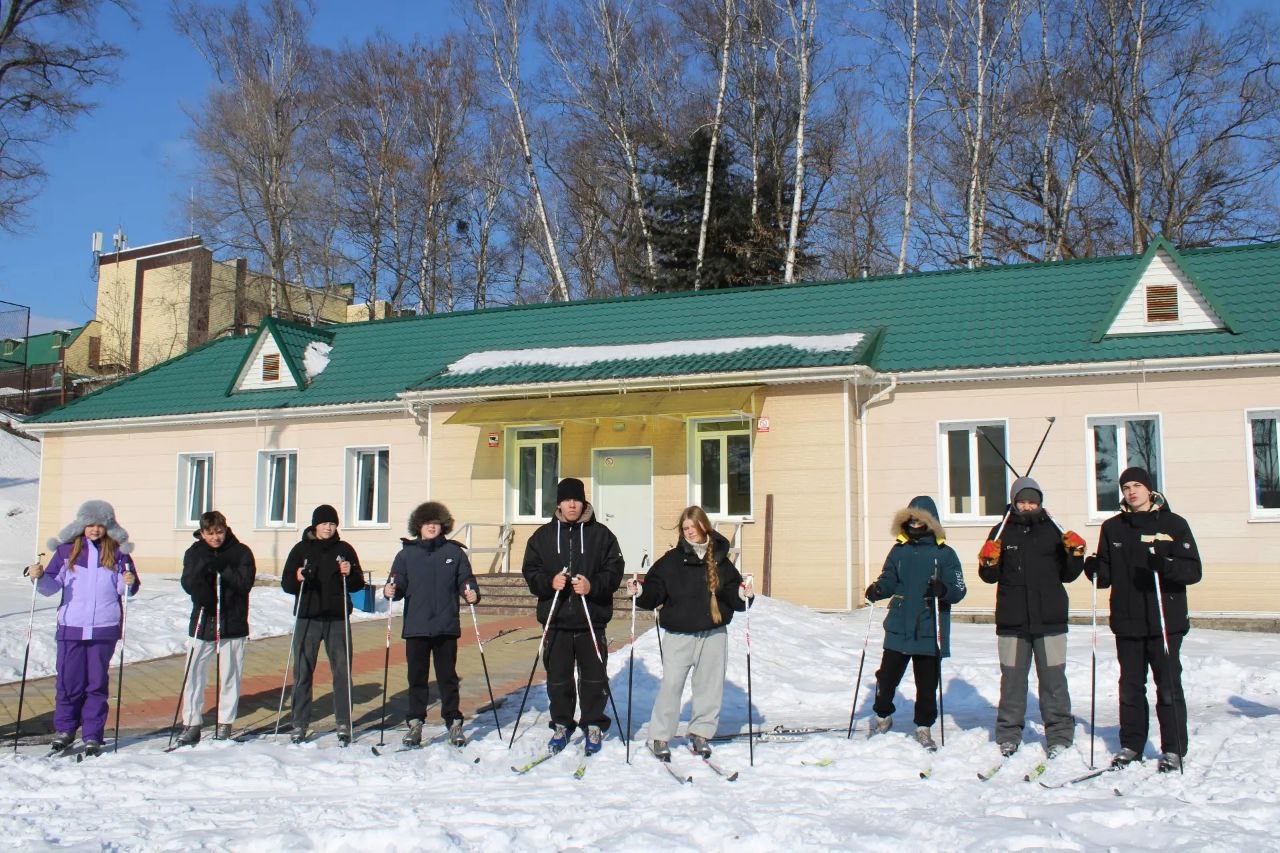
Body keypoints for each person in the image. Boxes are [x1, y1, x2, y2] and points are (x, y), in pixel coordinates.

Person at [1085, 466, 1201, 773]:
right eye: (1126, 487)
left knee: (1168, 686)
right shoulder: (1113, 528)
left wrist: (1167, 564)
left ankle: (1174, 748)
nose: (1131, 491)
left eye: (1137, 485)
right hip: (1128, 619)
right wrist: (1094, 569)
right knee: (1130, 686)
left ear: (1149, 490)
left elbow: (1193, 571)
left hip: (1165, 621)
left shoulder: (1174, 524)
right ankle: (1132, 745)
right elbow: (1105, 576)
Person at [628, 506, 753, 761]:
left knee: (709, 686)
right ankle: (660, 736)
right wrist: (640, 591)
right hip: (679, 634)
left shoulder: (720, 560)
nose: (689, 532)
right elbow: (654, 591)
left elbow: (732, 592)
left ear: (703, 526)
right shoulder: (671, 561)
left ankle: (700, 734)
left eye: (693, 527)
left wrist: (743, 594)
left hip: (714, 634)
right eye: (685, 528)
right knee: (671, 685)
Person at [977, 477, 1086, 759]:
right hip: (1012, 620)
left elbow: (1069, 574)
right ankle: (1008, 734)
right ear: (1013, 502)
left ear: (1040, 502)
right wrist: (988, 561)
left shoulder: (1053, 529)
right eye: (1022, 501)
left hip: (1050, 619)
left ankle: (1060, 734)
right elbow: (989, 577)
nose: (1027, 506)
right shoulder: (1001, 531)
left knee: (1053, 681)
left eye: (1032, 501)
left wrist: (1076, 555)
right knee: (1012, 681)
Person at [27, 500, 140, 757]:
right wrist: (38, 576)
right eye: (90, 524)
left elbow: (127, 590)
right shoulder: (67, 550)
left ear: (108, 526)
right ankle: (65, 729)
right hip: (71, 626)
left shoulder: (118, 552)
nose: (95, 530)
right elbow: (50, 587)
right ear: (81, 525)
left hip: (104, 627)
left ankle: (92, 734)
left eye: (100, 524)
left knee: (96, 684)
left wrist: (129, 582)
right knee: (68, 682)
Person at [521, 477, 624, 756]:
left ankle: (593, 723)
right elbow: (530, 571)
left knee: (593, 678)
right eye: (567, 500)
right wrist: (548, 582)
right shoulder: (542, 537)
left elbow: (614, 571)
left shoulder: (602, 535)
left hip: (591, 618)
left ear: (583, 502)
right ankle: (562, 723)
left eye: (576, 500)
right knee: (558, 679)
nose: (572, 505)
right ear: (559, 503)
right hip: (556, 621)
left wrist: (592, 586)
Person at [864, 495, 966, 751]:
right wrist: (878, 589)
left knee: (927, 684)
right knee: (886, 678)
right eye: (911, 520)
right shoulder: (899, 550)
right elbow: (888, 578)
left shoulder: (944, 554)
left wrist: (943, 589)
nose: (915, 525)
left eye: (921, 521)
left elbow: (959, 589)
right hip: (899, 624)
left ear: (931, 523)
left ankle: (923, 727)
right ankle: (882, 715)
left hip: (930, 626)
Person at [384, 501, 478, 748]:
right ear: (418, 526)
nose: (431, 528)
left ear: (443, 526)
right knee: (417, 678)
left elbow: (466, 580)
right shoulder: (406, 554)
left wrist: (472, 592)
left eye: (435, 523)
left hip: (446, 626)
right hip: (416, 627)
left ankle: (454, 722)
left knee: (448, 678)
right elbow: (397, 582)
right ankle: (415, 723)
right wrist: (391, 589)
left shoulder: (454, 553)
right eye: (427, 523)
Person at [280, 504, 365, 745]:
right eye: (324, 523)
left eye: (332, 524)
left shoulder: (344, 549)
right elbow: (287, 583)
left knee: (341, 671)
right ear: (315, 525)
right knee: (303, 671)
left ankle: (343, 722)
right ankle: (299, 722)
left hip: (337, 618)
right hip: (308, 617)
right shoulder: (301, 549)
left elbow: (358, 584)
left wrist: (350, 573)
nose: (328, 528)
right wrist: (298, 576)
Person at [176, 510, 257, 745]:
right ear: (202, 533)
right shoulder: (195, 552)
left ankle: (225, 723)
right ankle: (191, 723)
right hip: (204, 620)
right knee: (193, 674)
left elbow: (245, 584)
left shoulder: (240, 551)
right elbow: (187, 582)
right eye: (210, 534)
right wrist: (202, 576)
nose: (215, 538)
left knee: (230, 673)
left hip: (232, 622)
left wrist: (224, 567)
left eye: (219, 532)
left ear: (225, 529)